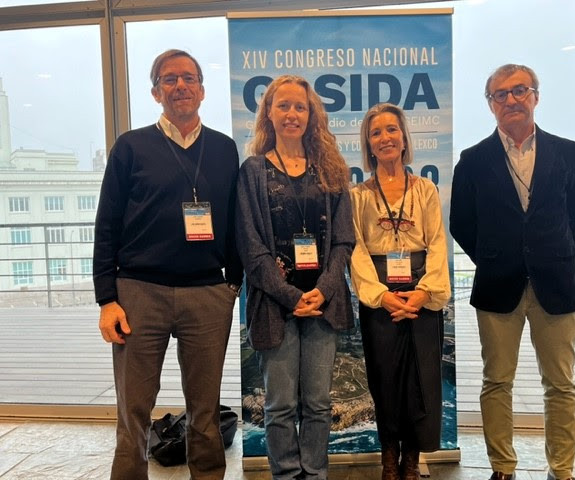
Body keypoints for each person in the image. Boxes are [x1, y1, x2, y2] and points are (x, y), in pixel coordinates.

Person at [93, 49, 242, 480]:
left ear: (201, 89)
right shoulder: (131, 147)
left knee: (204, 409)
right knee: (134, 410)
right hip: (139, 293)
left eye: (189, 78)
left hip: (207, 295)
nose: (181, 86)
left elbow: (234, 221)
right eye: (170, 79)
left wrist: (231, 284)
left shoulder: (223, 148)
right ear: (156, 91)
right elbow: (107, 226)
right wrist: (107, 298)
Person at [449, 64, 575, 480]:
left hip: (558, 284)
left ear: (535, 95)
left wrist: (557, 253)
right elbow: (462, 223)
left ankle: (562, 469)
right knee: (497, 381)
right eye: (500, 94)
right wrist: (494, 258)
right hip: (498, 287)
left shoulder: (567, 152)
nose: (511, 100)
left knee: (561, 385)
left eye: (519, 91)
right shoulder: (473, 160)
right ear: (490, 104)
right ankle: (502, 467)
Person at [236, 74, 355, 480]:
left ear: (312, 115)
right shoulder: (252, 171)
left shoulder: (332, 169)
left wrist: (323, 291)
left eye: (300, 107)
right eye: (283, 105)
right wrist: (289, 295)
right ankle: (287, 475)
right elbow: (251, 247)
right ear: (268, 112)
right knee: (280, 406)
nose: (292, 114)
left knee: (319, 404)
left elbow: (344, 241)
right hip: (276, 304)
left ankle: (315, 474)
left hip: (323, 304)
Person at [349, 103, 451, 480]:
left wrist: (424, 293)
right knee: (385, 380)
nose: (385, 138)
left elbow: (438, 243)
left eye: (392, 130)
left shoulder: (424, 189)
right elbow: (356, 249)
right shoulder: (358, 195)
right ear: (368, 144)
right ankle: (388, 457)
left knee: (420, 379)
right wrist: (380, 295)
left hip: (422, 290)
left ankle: (412, 458)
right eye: (376, 133)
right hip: (381, 295)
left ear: (404, 138)